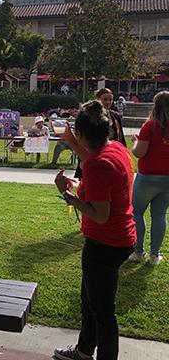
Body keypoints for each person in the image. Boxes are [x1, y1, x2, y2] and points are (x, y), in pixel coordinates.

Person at [52, 101, 136, 360]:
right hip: (121, 237)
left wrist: (68, 196)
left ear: (82, 134)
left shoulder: (97, 165)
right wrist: (71, 140)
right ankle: (83, 351)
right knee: (89, 301)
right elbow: (92, 157)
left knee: (102, 312)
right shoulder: (117, 149)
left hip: (105, 244)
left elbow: (100, 215)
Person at [128, 90, 169, 266]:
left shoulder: (150, 126)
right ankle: (155, 255)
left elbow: (139, 152)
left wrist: (135, 142)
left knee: (137, 213)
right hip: (167, 179)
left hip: (147, 177)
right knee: (159, 214)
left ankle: (138, 252)